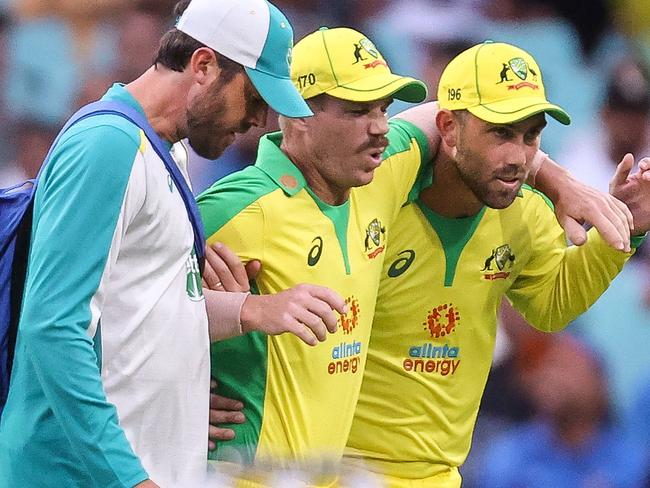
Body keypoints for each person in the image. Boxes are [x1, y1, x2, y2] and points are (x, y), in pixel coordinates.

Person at [199, 30, 636, 483]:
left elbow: (551, 304)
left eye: (383, 109)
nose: (378, 128)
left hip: (423, 476)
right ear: (297, 113)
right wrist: (182, 390)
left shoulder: (382, 182)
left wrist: (573, 190)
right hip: (302, 473)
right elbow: (130, 313)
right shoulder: (258, 204)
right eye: (356, 109)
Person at [0, 1, 347, 487]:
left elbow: (141, 310)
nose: (260, 121)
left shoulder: (167, 150)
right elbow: (54, 329)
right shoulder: (108, 145)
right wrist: (129, 478)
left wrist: (250, 311)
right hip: (77, 474)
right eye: (253, 97)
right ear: (204, 66)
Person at [343, 41, 650, 488]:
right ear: (448, 129)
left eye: (531, 136)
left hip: (439, 475)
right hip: (335, 470)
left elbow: (552, 306)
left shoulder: (525, 212)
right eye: (501, 133)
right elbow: (404, 125)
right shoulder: (382, 188)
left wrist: (622, 234)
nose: (518, 157)